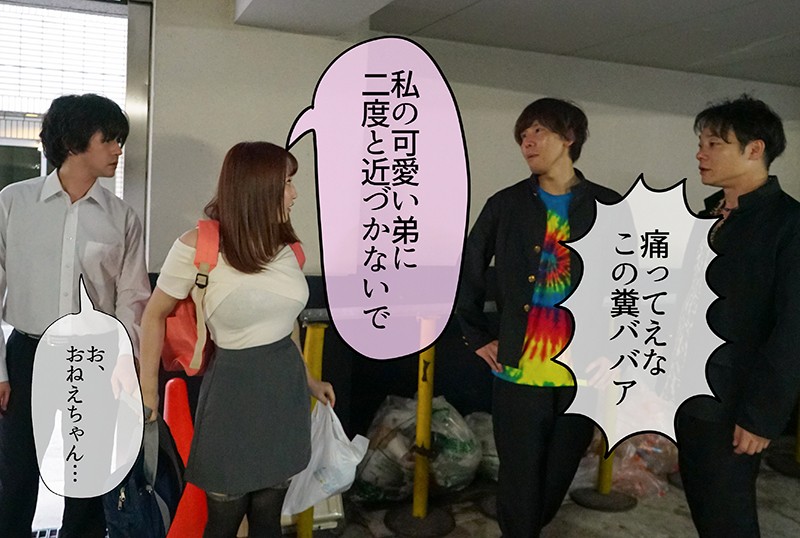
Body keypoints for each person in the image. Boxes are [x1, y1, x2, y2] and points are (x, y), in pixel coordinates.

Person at [139, 141, 335, 538]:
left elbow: (287, 326)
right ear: (256, 188)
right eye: (287, 183)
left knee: (268, 515)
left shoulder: (288, 248)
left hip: (284, 390)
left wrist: (310, 381)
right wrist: (147, 393)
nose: (295, 193)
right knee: (223, 518)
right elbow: (153, 315)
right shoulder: (198, 246)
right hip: (232, 390)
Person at [457, 98, 619, 537]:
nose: (527, 142)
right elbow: (469, 269)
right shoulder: (505, 204)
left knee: (554, 482)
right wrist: (476, 336)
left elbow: (634, 286)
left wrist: (619, 354)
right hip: (518, 369)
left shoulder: (609, 205)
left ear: (569, 138)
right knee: (519, 482)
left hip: (581, 376)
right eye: (523, 135)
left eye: (538, 132)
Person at [0, 94, 151, 538]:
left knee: (87, 480)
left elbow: (132, 297)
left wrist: (126, 362)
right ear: (73, 143)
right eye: (109, 140)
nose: (118, 150)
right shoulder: (13, 203)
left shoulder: (122, 217)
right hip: (28, 354)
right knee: (15, 477)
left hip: (96, 358)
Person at [676, 95, 800, 537]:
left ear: (754, 149)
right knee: (704, 508)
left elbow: (793, 329)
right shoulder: (707, 216)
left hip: (736, 403)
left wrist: (762, 416)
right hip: (691, 396)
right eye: (701, 144)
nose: (701, 153)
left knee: (729, 517)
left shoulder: (788, 224)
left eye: (714, 144)